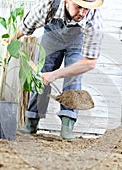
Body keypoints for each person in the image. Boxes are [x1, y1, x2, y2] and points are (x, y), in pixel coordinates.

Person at [13, 0, 104, 139]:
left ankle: (67, 125)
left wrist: (55, 75)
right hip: (52, 35)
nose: (82, 13)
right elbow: (26, 26)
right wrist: (11, 39)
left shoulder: (94, 20)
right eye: (78, 7)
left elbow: (90, 63)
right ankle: (31, 122)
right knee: (41, 73)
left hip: (77, 40)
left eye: (86, 9)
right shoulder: (48, 5)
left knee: (73, 78)